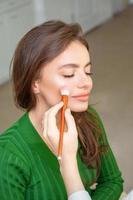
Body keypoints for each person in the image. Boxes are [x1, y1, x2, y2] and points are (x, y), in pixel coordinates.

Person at [0, 20, 123, 200]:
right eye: (69, 74)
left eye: (88, 72)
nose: (86, 82)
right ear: (35, 83)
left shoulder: (88, 119)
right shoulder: (8, 156)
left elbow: (112, 181)